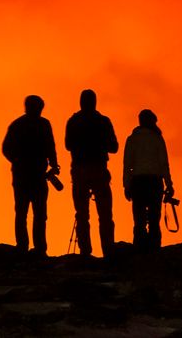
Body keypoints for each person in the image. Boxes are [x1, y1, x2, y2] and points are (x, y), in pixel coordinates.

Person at [2, 95, 60, 254]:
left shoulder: (20, 125)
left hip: (31, 175)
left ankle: (29, 247)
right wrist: (53, 164)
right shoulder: (37, 124)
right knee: (31, 212)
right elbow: (50, 146)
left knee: (31, 213)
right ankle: (33, 247)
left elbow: (50, 146)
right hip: (29, 175)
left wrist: (54, 164)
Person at [64, 88, 118, 256]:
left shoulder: (73, 121)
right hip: (99, 170)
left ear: (81, 102)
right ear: (95, 102)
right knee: (105, 213)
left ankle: (85, 252)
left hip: (80, 170)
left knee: (82, 214)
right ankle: (108, 250)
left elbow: (68, 145)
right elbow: (114, 147)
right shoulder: (103, 121)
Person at [123, 108, 173, 250]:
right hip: (154, 183)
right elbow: (164, 164)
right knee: (154, 220)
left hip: (137, 183)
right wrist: (169, 185)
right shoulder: (157, 138)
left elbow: (127, 165)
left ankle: (139, 250)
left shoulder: (132, 139)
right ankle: (154, 250)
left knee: (139, 220)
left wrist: (126, 186)